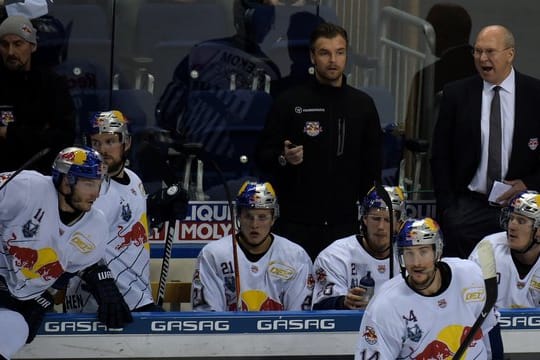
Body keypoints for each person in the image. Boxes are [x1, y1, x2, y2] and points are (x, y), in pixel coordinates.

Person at [255, 22, 382, 260]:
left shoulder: (362, 105)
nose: (333, 60)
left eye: (339, 52)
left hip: (345, 225)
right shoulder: (289, 102)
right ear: (313, 56)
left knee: (339, 296)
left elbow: (373, 167)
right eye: (325, 53)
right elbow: (263, 155)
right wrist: (284, 158)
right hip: (296, 224)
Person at [0, 146, 132, 360]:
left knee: (15, 329)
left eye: (99, 184)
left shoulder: (95, 227)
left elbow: (66, 272)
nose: (96, 193)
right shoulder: (26, 188)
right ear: (65, 181)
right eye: (89, 184)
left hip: (15, 303)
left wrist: (43, 299)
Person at [431, 25, 540, 258]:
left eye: (490, 51)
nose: (482, 58)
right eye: (477, 51)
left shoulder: (535, 95)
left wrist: (528, 183)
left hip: (522, 210)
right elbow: (440, 155)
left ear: (510, 54)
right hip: (468, 210)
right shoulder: (456, 94)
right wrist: (449, 208)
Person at [354, 217, 498, 359]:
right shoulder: (385, 305)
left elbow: (490, 330)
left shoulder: (471, 276)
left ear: (437, 251)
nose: (416, 263)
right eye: (409, 253)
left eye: (423, 251)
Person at [63, 111, 162, 314]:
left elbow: (126, 228)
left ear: (126, 143)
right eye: (96, 143)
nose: (102, 150)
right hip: (98, 302)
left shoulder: (134, 179)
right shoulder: (89, 189)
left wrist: (158, 211)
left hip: (137, 296)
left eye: (109, 141)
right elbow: (74, 242)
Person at [191, 181, 313, 311]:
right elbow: (207, 316)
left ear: (273, 219)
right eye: (248, 216)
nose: (254, 225)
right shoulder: (213, 254)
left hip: (278, 332)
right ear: (238, 216)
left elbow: (300, 318)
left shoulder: (295, 255)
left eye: (262, 217)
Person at [0, 15, 75, 174]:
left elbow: (63, 137)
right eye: (4, 45)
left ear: (32, 46)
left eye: (18, 44)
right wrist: (37, 133)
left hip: (42, 177)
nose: (11, 52)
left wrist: (9, 133)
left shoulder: (52, 84)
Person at [312, 186, 405, 310]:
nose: (381, 226)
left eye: (388, 220)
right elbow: (320, 307)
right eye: (376, 218)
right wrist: (343, 302)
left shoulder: (410, 257)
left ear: (399, 224)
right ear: (365, 218)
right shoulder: (334, 256)